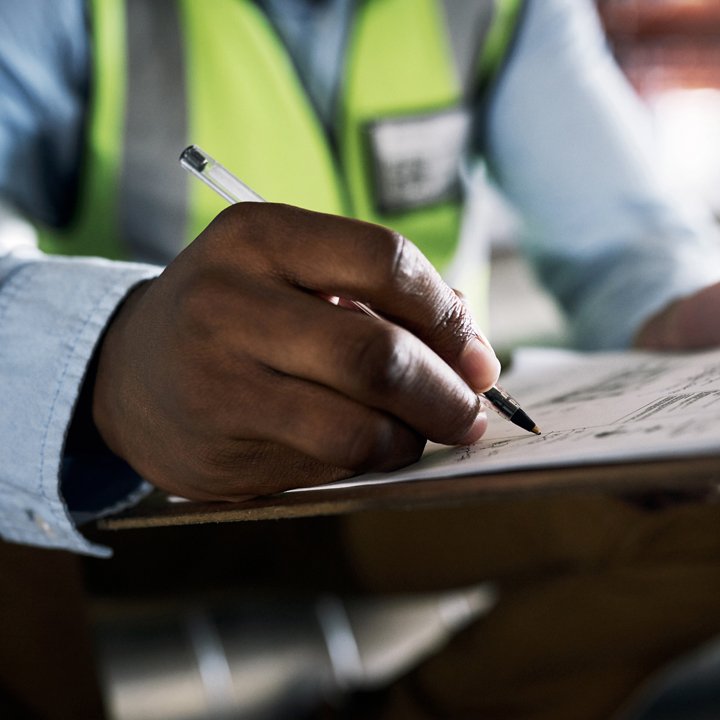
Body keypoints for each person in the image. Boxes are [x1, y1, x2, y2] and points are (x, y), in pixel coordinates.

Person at [1, 0, 720, 557]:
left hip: (438, 480)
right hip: (172, 508)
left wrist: (678, 315)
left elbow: (624, 246)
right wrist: (109, 362)